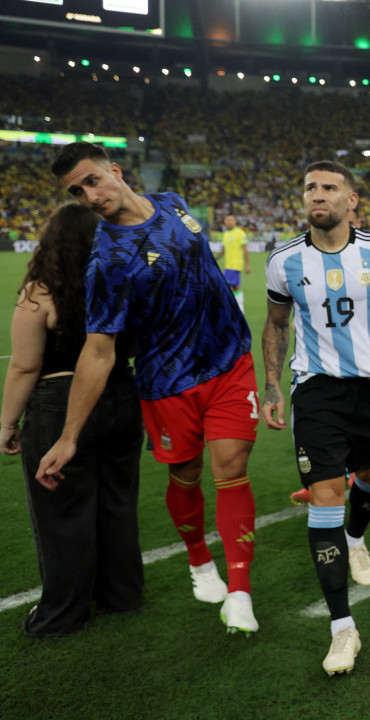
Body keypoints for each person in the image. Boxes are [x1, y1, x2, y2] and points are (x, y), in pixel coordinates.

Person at [39, 142, 261, 634]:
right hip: (168, 382)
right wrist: (69, 435)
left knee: (232, 466)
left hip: (229, 363)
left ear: (115, 171)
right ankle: (200, 561)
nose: (89, 195)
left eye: (92, 181)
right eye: (77, 192)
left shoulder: (173, 202)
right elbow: (99, 351)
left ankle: (240, 592)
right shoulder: (107, 263)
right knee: (185, 475)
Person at [260, 160, 370, 676]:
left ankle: (356, 540)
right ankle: (342, 629)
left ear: (351, 199)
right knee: (325, 497)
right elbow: (275, 326)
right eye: (310, 186)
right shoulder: (283, 261)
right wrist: (271, 387)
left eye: (330, 187)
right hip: (316, 393)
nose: (318, 194)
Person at [1, 203, 144, 638]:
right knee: (118, 502)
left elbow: (24, 367)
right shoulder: (122, 281)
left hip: (60, 401)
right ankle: (123, 596)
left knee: (61, 511)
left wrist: (7, 423)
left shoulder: (41, 291)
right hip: (121, 394)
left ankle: (62, 615)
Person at [219, 214, 250, 312]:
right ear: (224, 222)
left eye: (231, 220)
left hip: (235, 265)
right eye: (227, 220)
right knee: (236, 287)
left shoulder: (240, 233)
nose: (229, 222)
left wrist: (247, 264)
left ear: (235, 221)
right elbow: (223, 250)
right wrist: (214, 259)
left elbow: (245, 250)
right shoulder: (225, 234)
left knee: (224, 287)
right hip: (228, 265)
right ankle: (240, 309)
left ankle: (231, 308)